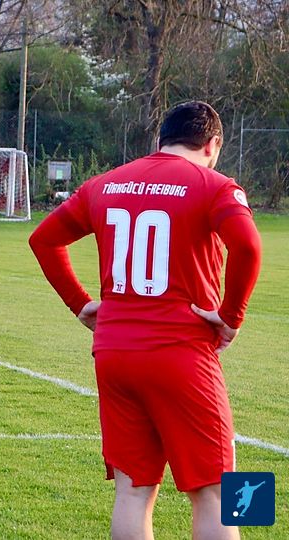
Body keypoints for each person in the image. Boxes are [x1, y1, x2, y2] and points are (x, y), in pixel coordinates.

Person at [29, 101, 262, 540]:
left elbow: (43, 239)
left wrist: (81, 304)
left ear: (161, 139)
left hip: (113, 352)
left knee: (133, 489)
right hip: (182, 352)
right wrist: (231, 316)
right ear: (212, 145)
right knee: (222, 490)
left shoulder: (105, 183)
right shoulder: (214, 185)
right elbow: (248, 247)